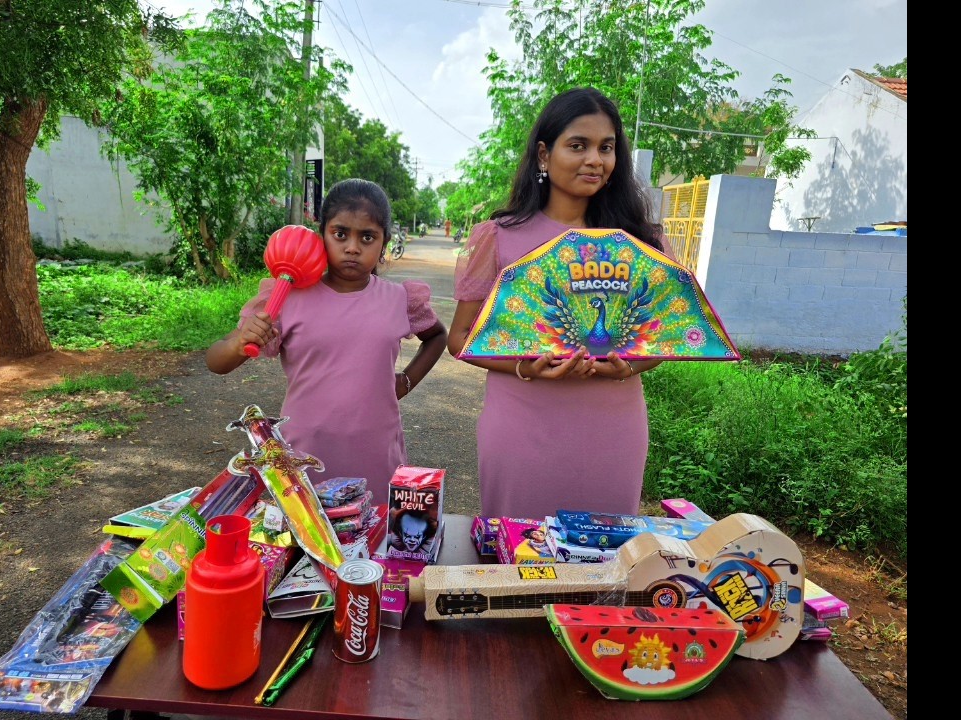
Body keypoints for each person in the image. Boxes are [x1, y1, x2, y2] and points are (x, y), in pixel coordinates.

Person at [447, 87, 672, 520]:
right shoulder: (499, 237)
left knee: (604, 564)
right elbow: (460, 338)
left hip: (613, 431)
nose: (595, 159)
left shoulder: (640, 243)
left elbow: (664, 341)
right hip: (522, 427)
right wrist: (523, 366)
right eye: (578, 145)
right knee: (517, 559)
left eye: (606, 148)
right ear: (544, 156)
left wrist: (630, 365)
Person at [207, 179, 448, 505]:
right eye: (340, 234)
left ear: (384, 242)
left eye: (367, 237)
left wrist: (405, 380)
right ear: (322, 235)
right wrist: (239, 344)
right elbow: (216, 361)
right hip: (304, 454)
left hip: (375, 451)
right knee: (307, 539)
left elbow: (436, 336)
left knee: (370, 539)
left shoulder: (399, 300)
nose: (352, 247)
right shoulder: (287, 298)